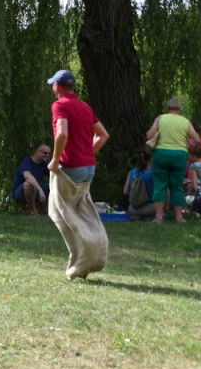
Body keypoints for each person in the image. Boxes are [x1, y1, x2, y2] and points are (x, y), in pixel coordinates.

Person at [46, 69, 109, 279]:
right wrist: (87, 152)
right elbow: (103, 135)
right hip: (88, 168)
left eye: (53, 84)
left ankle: (81, 262)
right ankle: (91, 256)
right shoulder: (85, 106)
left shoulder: (60, 105)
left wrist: (55, 160)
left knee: (61, 213)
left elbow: (62, 133)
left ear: (58, 87)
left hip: (69, 167)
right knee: (83, 213)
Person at [146, 97, 200, 223]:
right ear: (180, 109)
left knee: (160, 184)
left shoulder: (160, 118)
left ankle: (159, 216)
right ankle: (179, 217)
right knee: (177, 186)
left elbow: (149, 135)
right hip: (179, 156)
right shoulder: (185, 121)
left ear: (167, 108)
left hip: (161, 154)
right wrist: (190, 149)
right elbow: (197, 140)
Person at [11, 145, 51, 215]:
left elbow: (54, 175)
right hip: (20, 193)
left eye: (48, 154)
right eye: (45, 153)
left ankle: (49, 211)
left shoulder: (44, 164)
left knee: (55, 183)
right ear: (37, 152)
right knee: (29, 184)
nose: (47, 155)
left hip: (37, 192)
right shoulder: (27, 163)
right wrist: (40, 190)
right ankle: (33, 211)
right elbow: (28, 177)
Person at [124, 151, 155, 220]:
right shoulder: (154, 173)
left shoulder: (132, 172)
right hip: (150, 208)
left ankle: (137, 216)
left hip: (132, 209)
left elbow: (125, 192)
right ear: (150, 159)